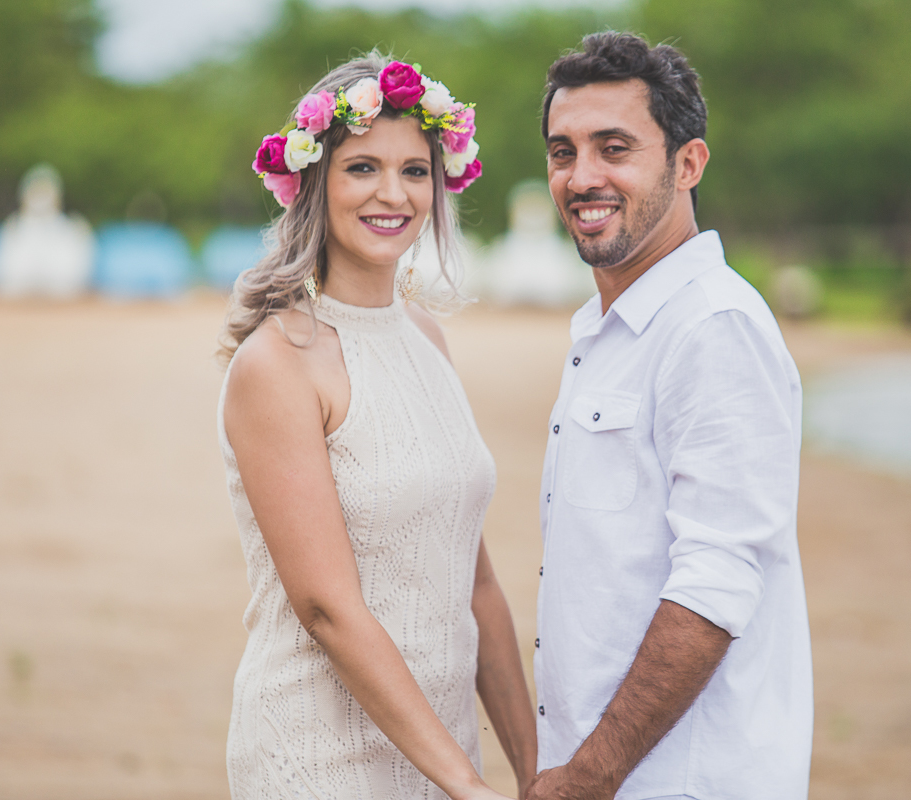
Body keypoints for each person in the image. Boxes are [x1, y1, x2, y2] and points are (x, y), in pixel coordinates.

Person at [216, 52, 536, 800]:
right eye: (362, 168)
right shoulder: (278, 363)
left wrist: (533, 772)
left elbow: (477, 583)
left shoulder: (426, 337)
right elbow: (326, 608)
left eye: (414, 171)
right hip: (321, 759)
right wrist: (468, 786)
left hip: (442, 752)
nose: (393, 194)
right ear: (313, 181)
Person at [527, 33, 813, 799]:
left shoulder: (712, 326)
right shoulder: (609, 331)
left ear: (688, 164)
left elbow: (716, 580)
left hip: (679, 779)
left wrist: (590, 776)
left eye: (614, 148)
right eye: (562, 152)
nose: (582, 177)